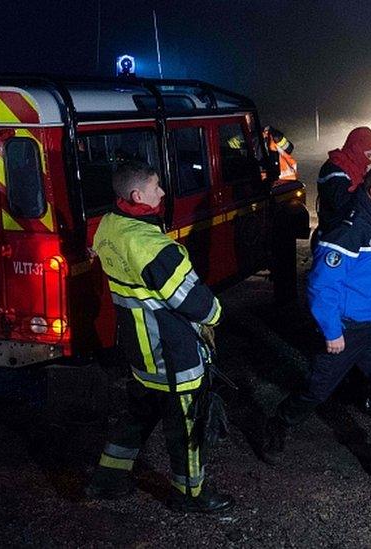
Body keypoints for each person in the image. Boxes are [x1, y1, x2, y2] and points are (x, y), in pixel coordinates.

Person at [86, 160, 233, 513]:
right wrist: (216, 316)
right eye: (156, 187)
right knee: (187, 428)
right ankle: (190, 495)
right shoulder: (152, 247)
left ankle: (108, 479)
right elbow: (197, 304)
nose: (163, 192)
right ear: (138, 195)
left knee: (136, 416)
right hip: (171, 353)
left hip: (139, 349)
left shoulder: (109, 226)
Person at [260, 162, 371, 479]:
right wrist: (332, 331)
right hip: (344, 331)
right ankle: (278, 423)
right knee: (317, 391)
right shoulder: (348, 230)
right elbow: (321, 286)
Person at [315, 127, 371, 237]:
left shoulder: (357, 168)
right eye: (369, 156)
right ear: (357, 148)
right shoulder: (334, 169)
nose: (370, 161)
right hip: (334, 236)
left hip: (350, 232)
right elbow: (341, 204)